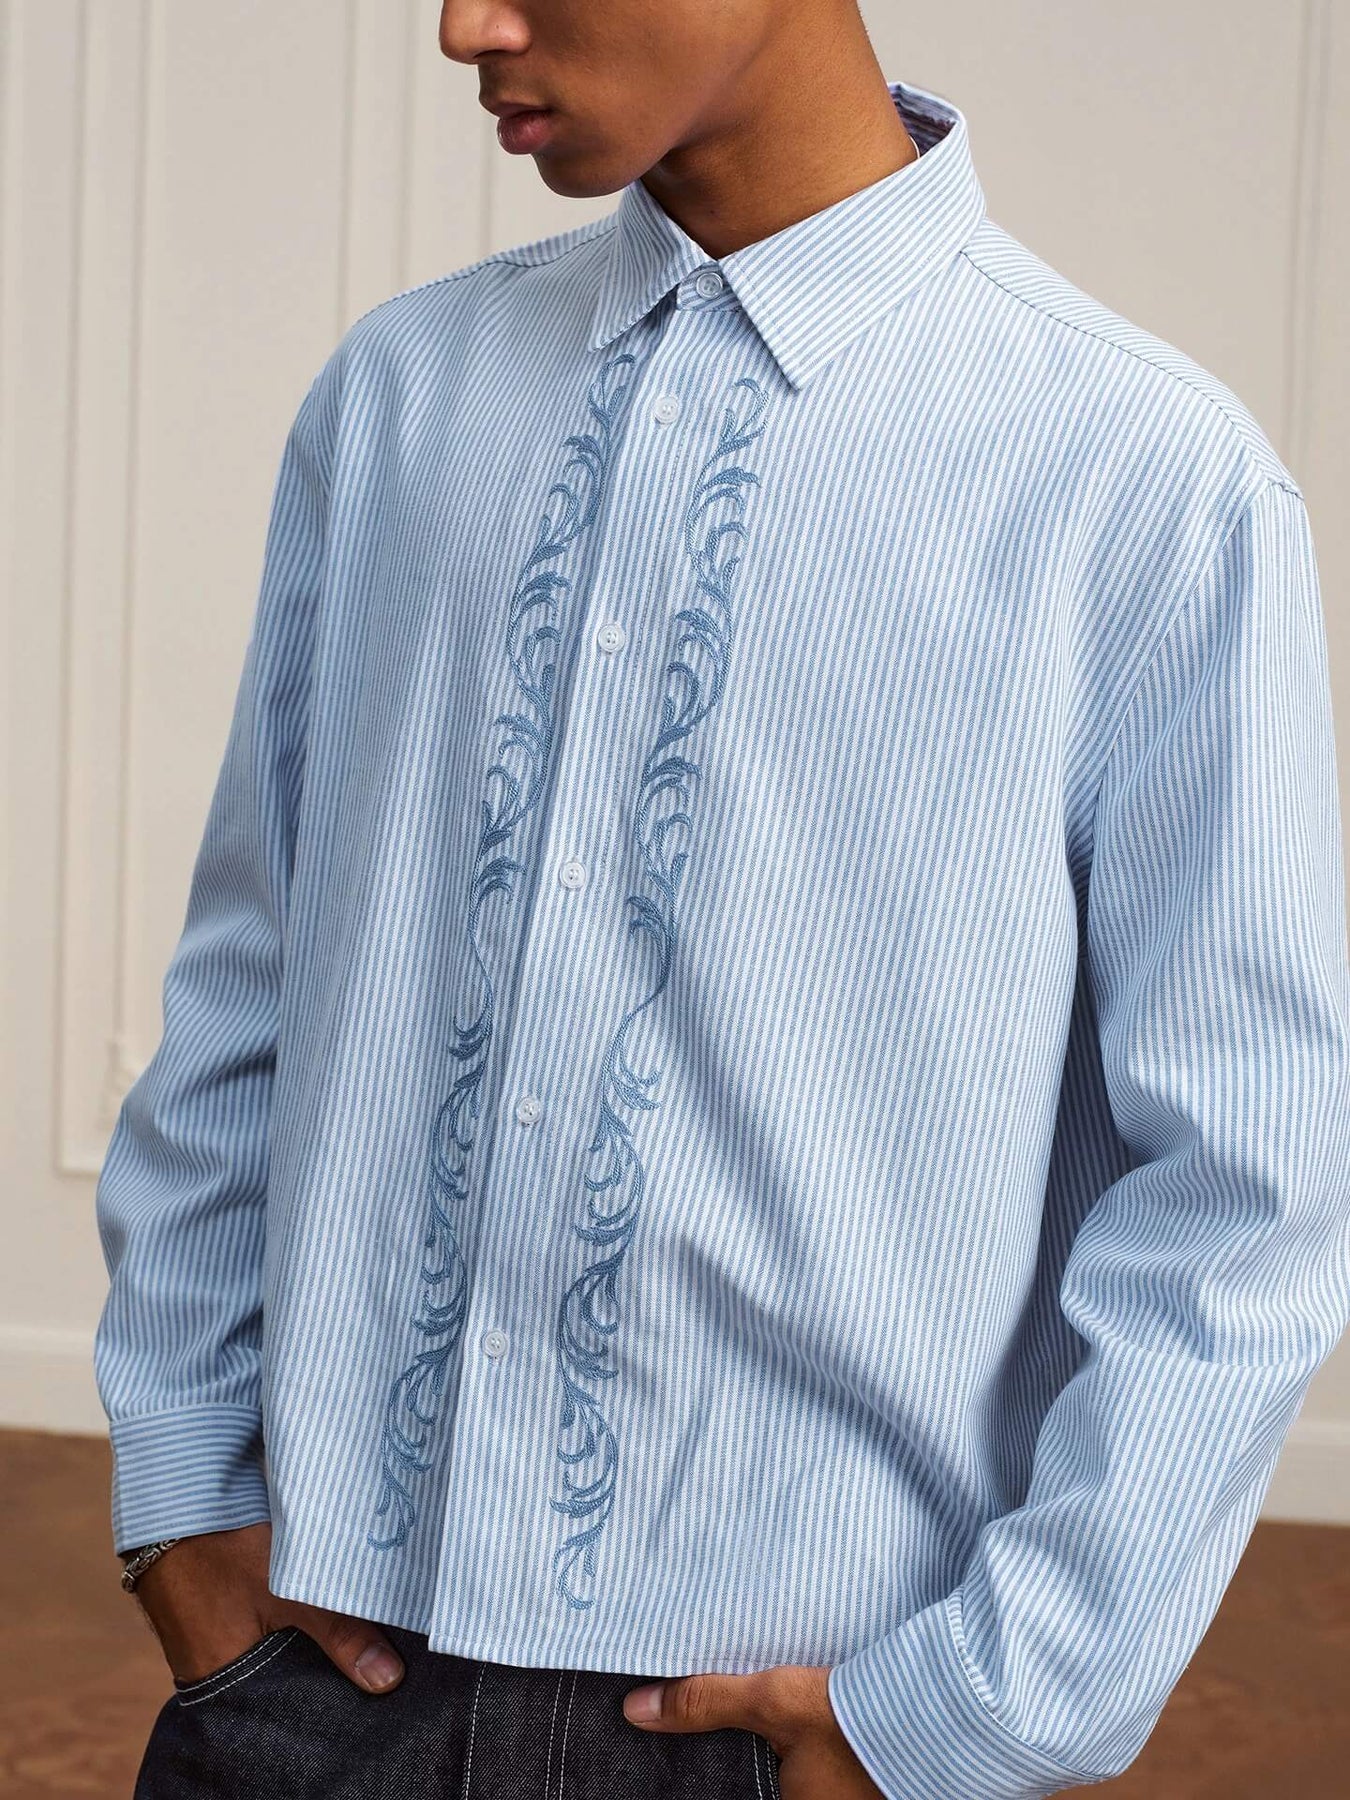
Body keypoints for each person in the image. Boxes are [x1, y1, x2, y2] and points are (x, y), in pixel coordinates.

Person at [95, 0, 1350, 1796]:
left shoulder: (1141, 480)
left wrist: (975, 1713)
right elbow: (253, 980)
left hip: (794, 1725)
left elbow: (1246, 1186)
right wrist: (178, 1492)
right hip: (312, 1682)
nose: (462, 25)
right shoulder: (402, 396)